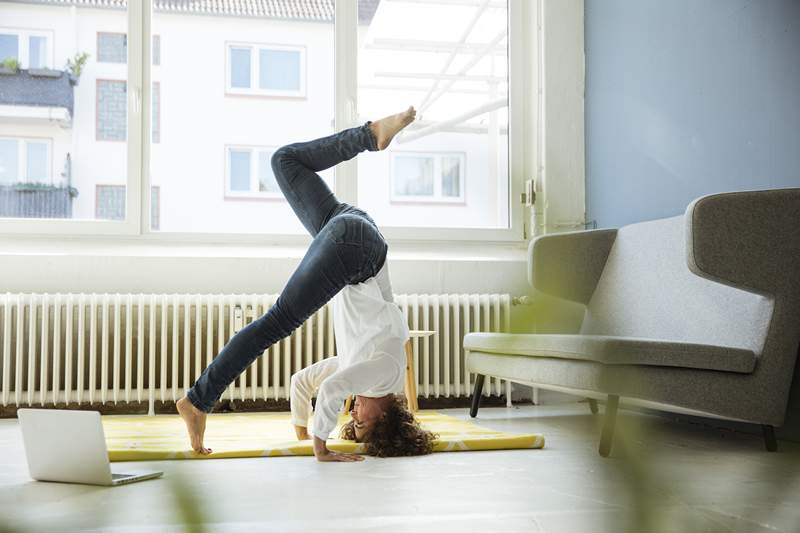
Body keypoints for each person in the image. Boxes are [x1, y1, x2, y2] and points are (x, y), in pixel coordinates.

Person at [177, 107, 436, 462]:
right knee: (277, 321)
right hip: (356, 249)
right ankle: (197, 401)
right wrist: (320, 447)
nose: (355, 414)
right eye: (363, 423)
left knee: (285, 161)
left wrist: (300, 427)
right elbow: (331, 390)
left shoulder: (362, 368)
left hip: (350, 228)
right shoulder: (387, 374)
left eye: (353, 422)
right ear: (387, 416)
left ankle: (370, 136)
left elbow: (305, 380)